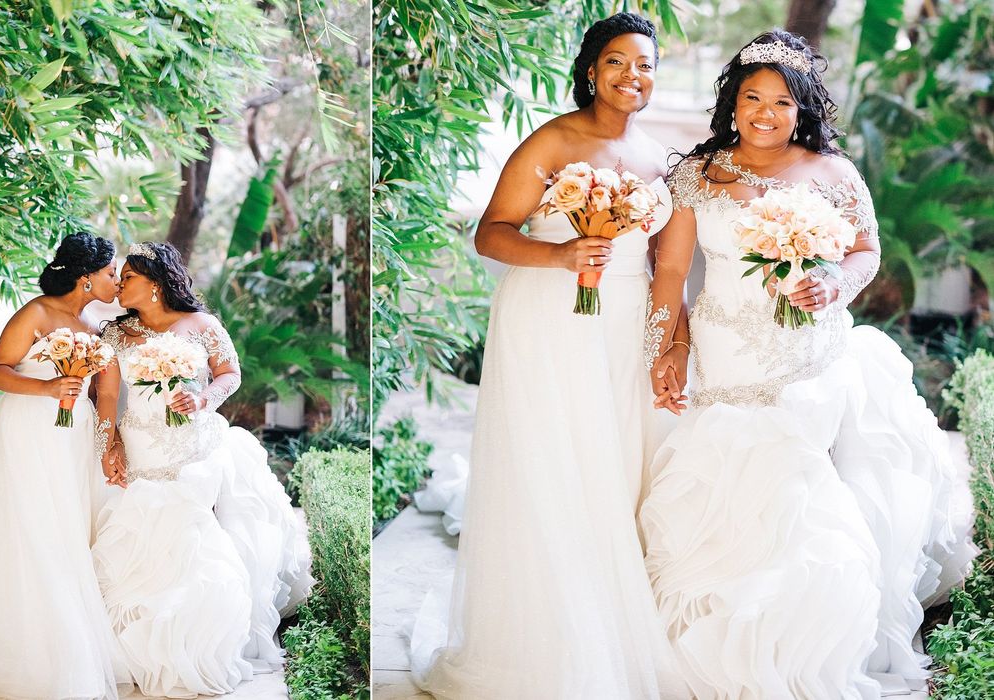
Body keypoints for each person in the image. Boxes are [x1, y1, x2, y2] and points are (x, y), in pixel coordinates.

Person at [640, 30, 976, 698]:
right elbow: (670, 271)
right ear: (730, 102)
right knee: (718, 477)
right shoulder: (694, 175)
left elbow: (864, 250)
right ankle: (714, 631)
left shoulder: (830, 173)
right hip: (723, 355)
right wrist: (665, 349)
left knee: (791, 479)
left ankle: (801, 640)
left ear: (802, 110)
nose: (764, 113)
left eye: (781, 102)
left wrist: (830, 282)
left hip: (807, 358)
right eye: (750, 98)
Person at [409, 13, 689, 699]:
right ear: (591, 69)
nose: (633, 76)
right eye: (617, 62)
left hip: (623, 320)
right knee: (553, 461)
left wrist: (669, 343)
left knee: (617, 461)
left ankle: (608, 620)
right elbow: (490, 234)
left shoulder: (662, 159)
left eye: (645, 64)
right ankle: (544, 637)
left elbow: (666, 269)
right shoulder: (551, 139)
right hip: (545, 313)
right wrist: (560, 253)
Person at [91, 241, 309, 697]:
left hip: (193, 444)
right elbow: (107, 395)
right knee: (143, 525)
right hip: (141, 443)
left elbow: (230, 374)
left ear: (153, 284)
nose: (119, 283)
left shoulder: (202, 325)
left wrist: (203, 399)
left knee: (191, 526)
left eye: (128, 276)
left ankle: (201, 633)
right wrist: (107, 442)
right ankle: (140, 638)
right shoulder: (114, 335)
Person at [0, 231, 127, 699]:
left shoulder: (97, 330)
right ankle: (34, 646)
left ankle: (68, 633)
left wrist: (108, 444)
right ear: (85, 279)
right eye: (109, 274)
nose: (116, 281)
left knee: (71, 525)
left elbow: (105, 396)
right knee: (35, 525)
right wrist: (48, 389)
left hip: (73, 433)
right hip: (27, 427)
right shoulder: (36, 313)